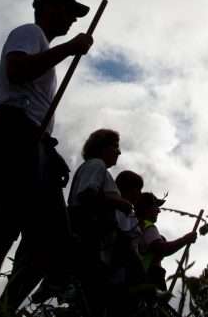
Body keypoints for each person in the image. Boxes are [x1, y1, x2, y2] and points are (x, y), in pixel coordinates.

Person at [0, 0, 94, 315]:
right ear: (47, 7)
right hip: (15, 133)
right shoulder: (29, 33)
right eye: (68, 11)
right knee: (5, 229)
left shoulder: (42, 44)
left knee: (40, 234)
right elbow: (17, 71)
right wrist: (69, 48)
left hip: (32, 140)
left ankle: (5, 305)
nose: (72, 20)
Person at [67, 129, 132, 316]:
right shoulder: (96, 165)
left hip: (95, 241)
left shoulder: (96, 167)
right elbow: (87, 194)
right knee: (91, 296)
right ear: (103, 147)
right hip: (89, 239)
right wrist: (120, 202)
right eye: (116, 147)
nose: (119, 152)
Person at [136, 192, 197, 291]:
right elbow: (162, 249)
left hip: (140, 277)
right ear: (147, 208)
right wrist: (185, 239)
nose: (159, 211)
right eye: (156, 206)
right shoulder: (148, 227)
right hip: (149, 278)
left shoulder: (135, 226)